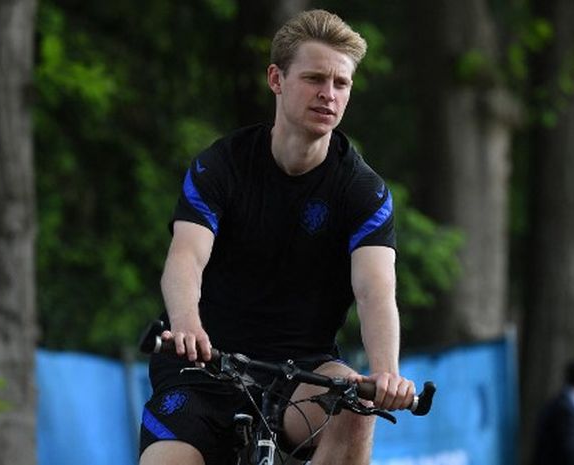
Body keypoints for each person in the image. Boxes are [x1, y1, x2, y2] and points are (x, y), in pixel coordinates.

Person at [139, 9, 415, 465]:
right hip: (203, 365)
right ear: (276, 79)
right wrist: (187, 325)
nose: (328, 94)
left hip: (300, 373)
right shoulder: (221, 165)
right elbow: (185, 258)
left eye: (341, 84)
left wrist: (386, 372)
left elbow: (375, 290)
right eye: (314, 78)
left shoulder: (363, 191)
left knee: (352, 400)